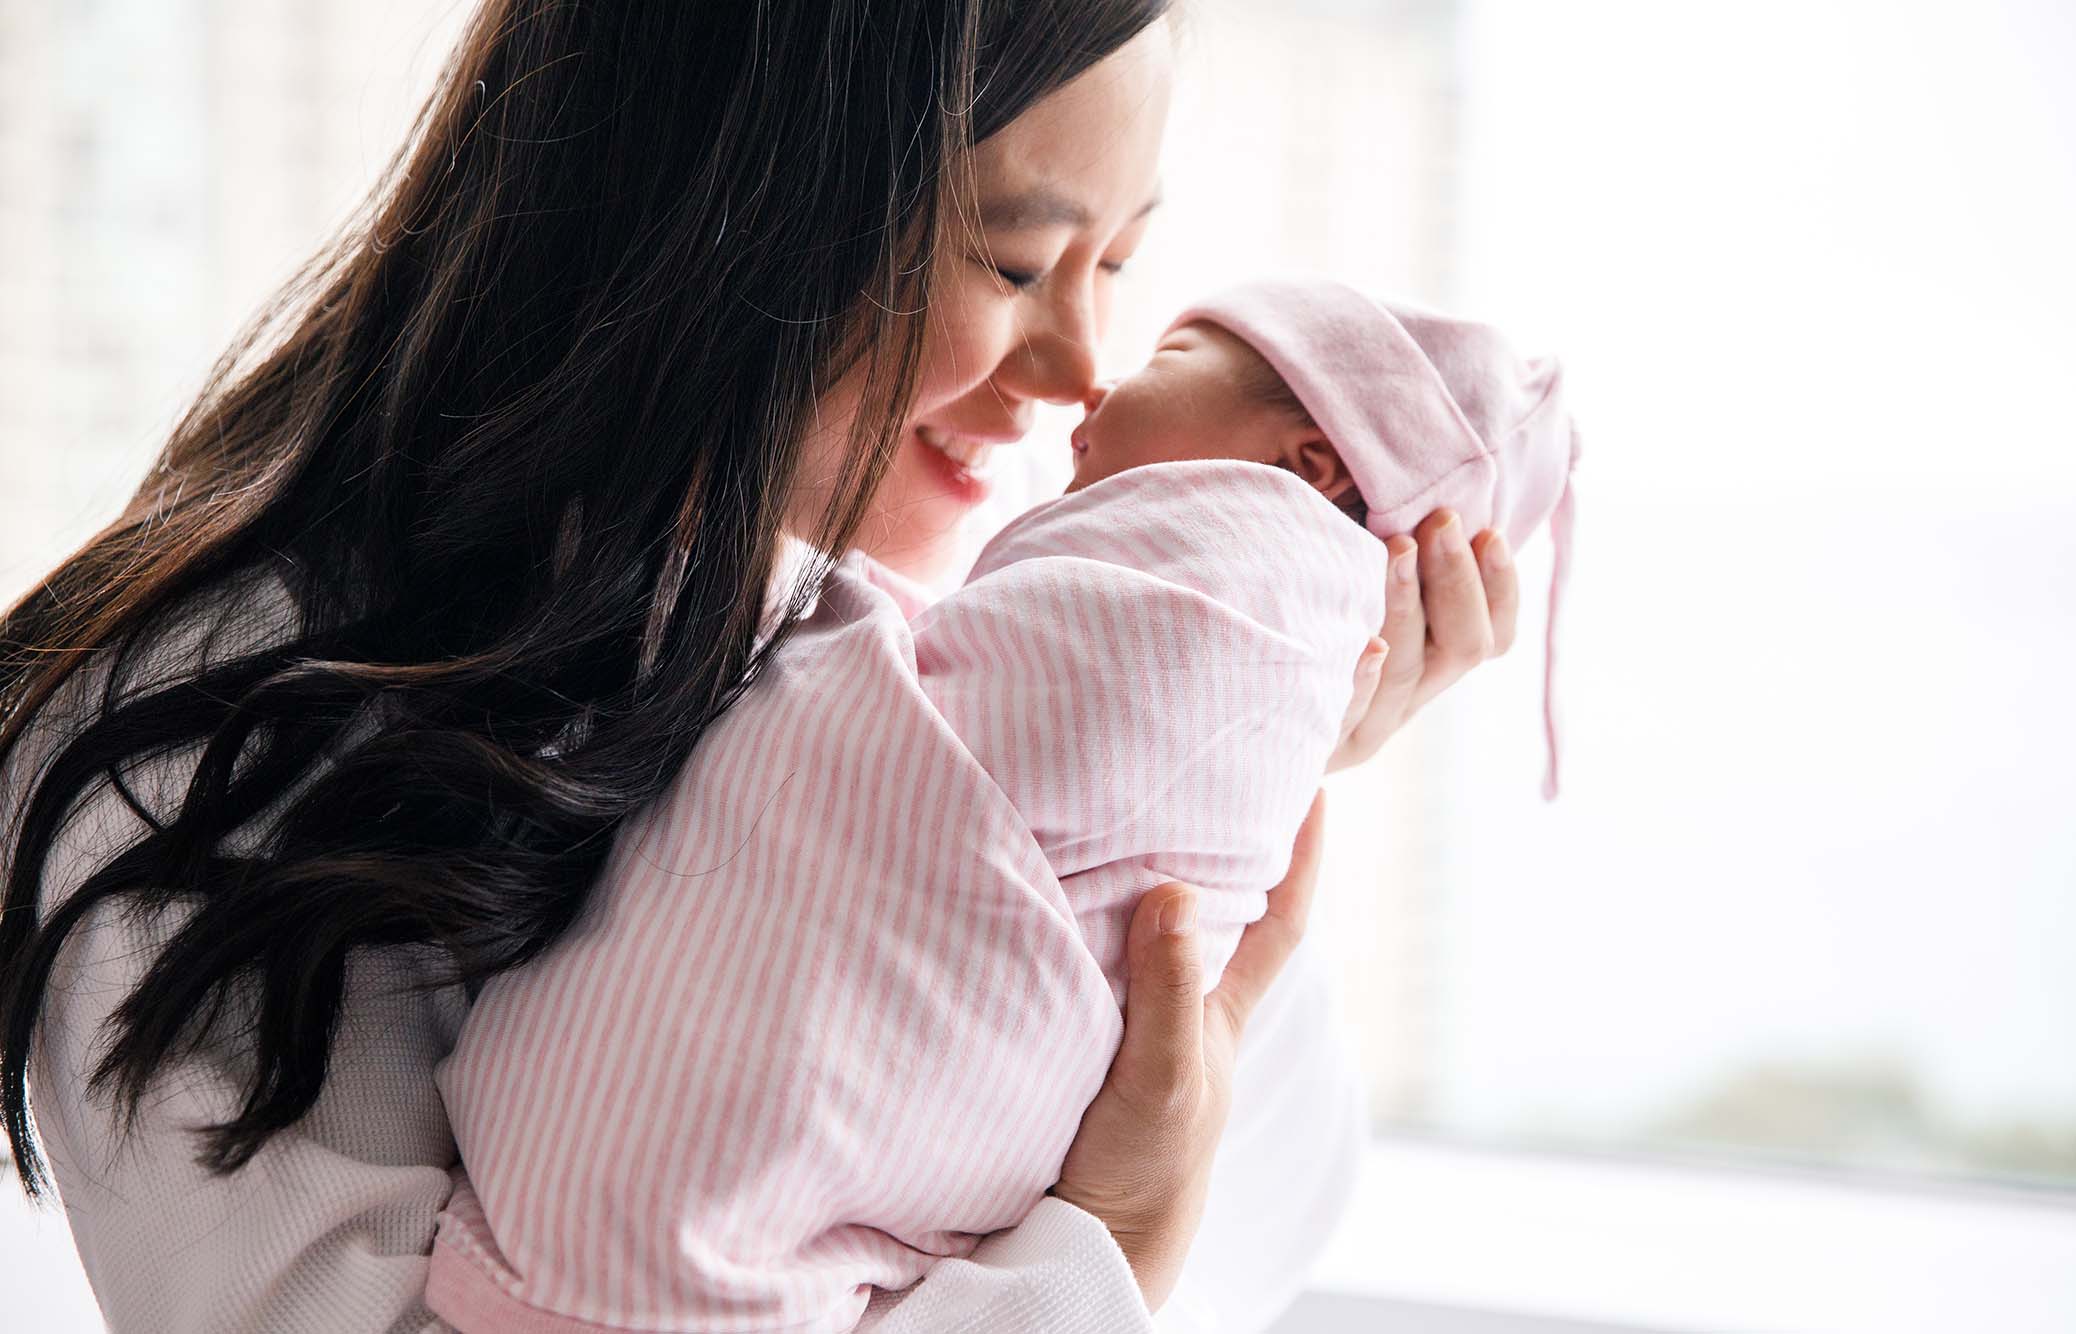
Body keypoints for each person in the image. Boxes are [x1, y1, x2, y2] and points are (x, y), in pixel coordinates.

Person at [0, 3, 1520, 1331]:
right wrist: (1103, 1248)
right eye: (1011, 261)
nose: (1085, 373)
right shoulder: (214, 740)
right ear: (715, 220)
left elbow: (1250, 1240)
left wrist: (1219, 768)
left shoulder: (870, 639)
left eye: (1121, 259)